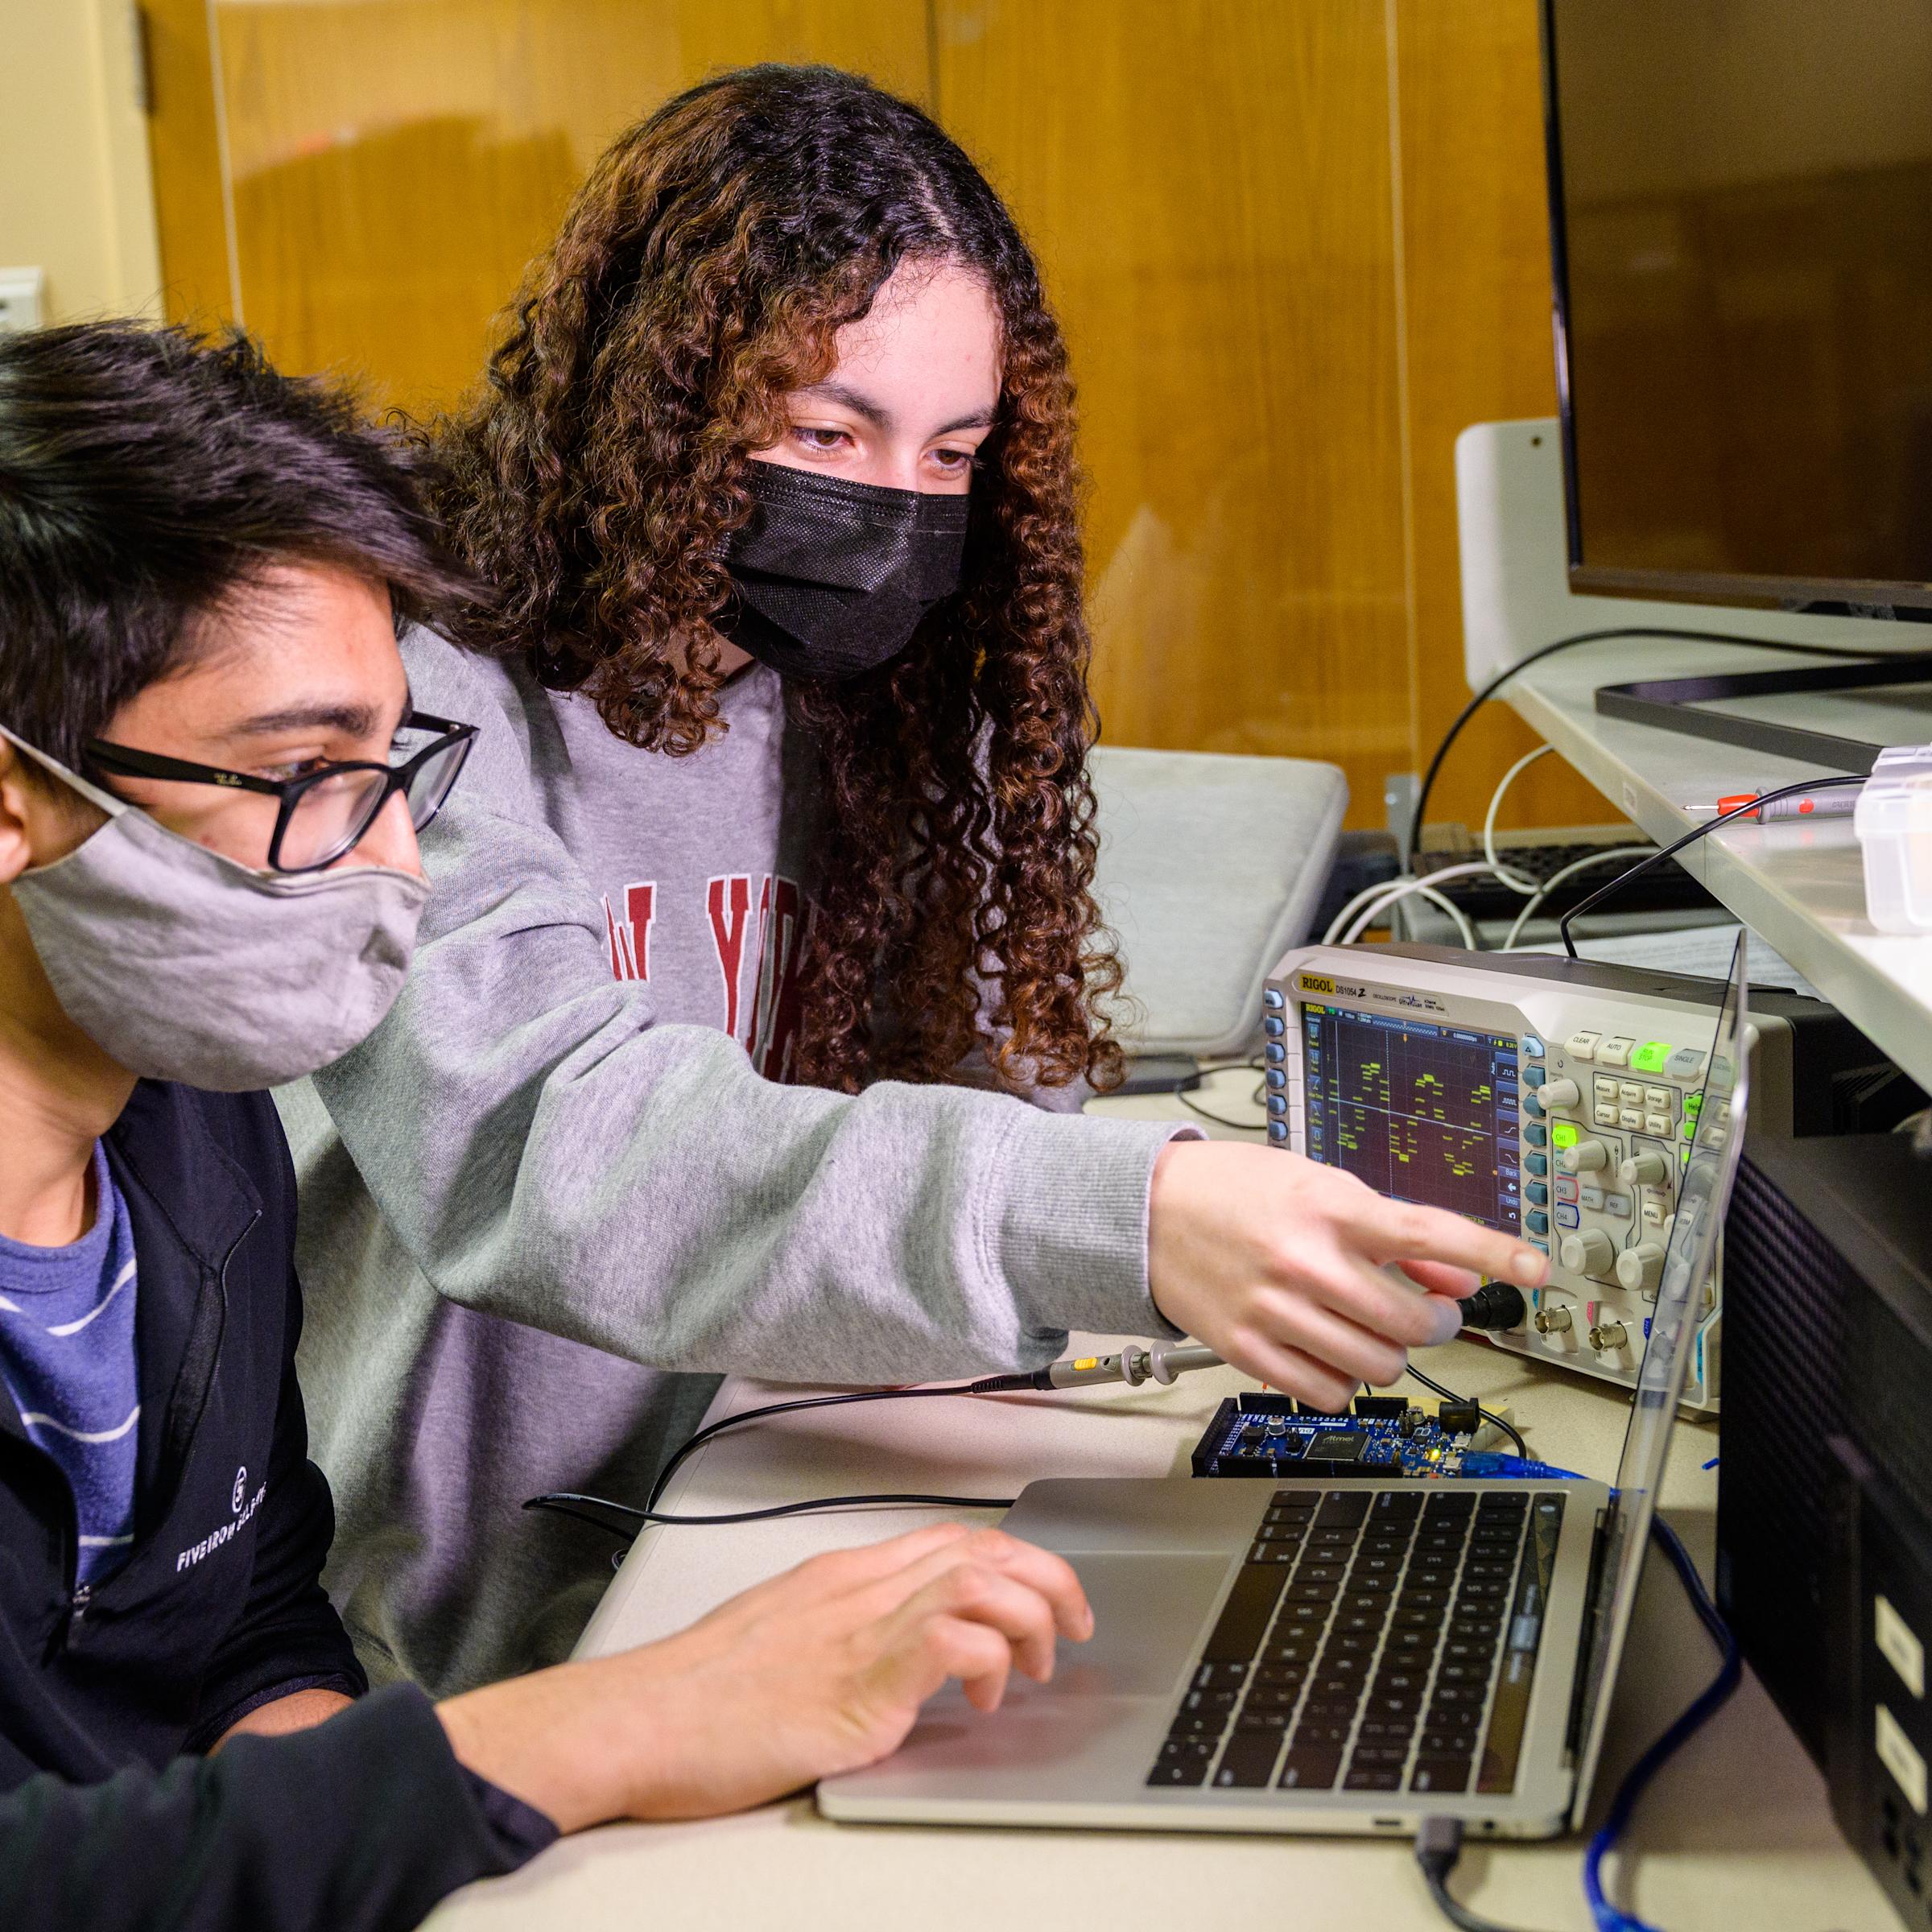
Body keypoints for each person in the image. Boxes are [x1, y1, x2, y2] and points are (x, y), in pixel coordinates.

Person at [283, 62, 1546, 1699]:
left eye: (952, 453)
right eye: (827, 430)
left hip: (775, 1480)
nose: (891, 506)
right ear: (653, 401)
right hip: (486, 1616)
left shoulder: (876, 690)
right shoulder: (413, 688)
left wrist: (1154, 1249)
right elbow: (551, 1145)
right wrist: (1131, 1216)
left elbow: (958, 1090)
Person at [0, 320, 1092, 1932]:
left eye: (395, 767)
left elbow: (237, 1633)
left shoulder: (181, 1133)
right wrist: (628, 1721)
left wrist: (489, 1844)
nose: (392, 867)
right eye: (302, 774)